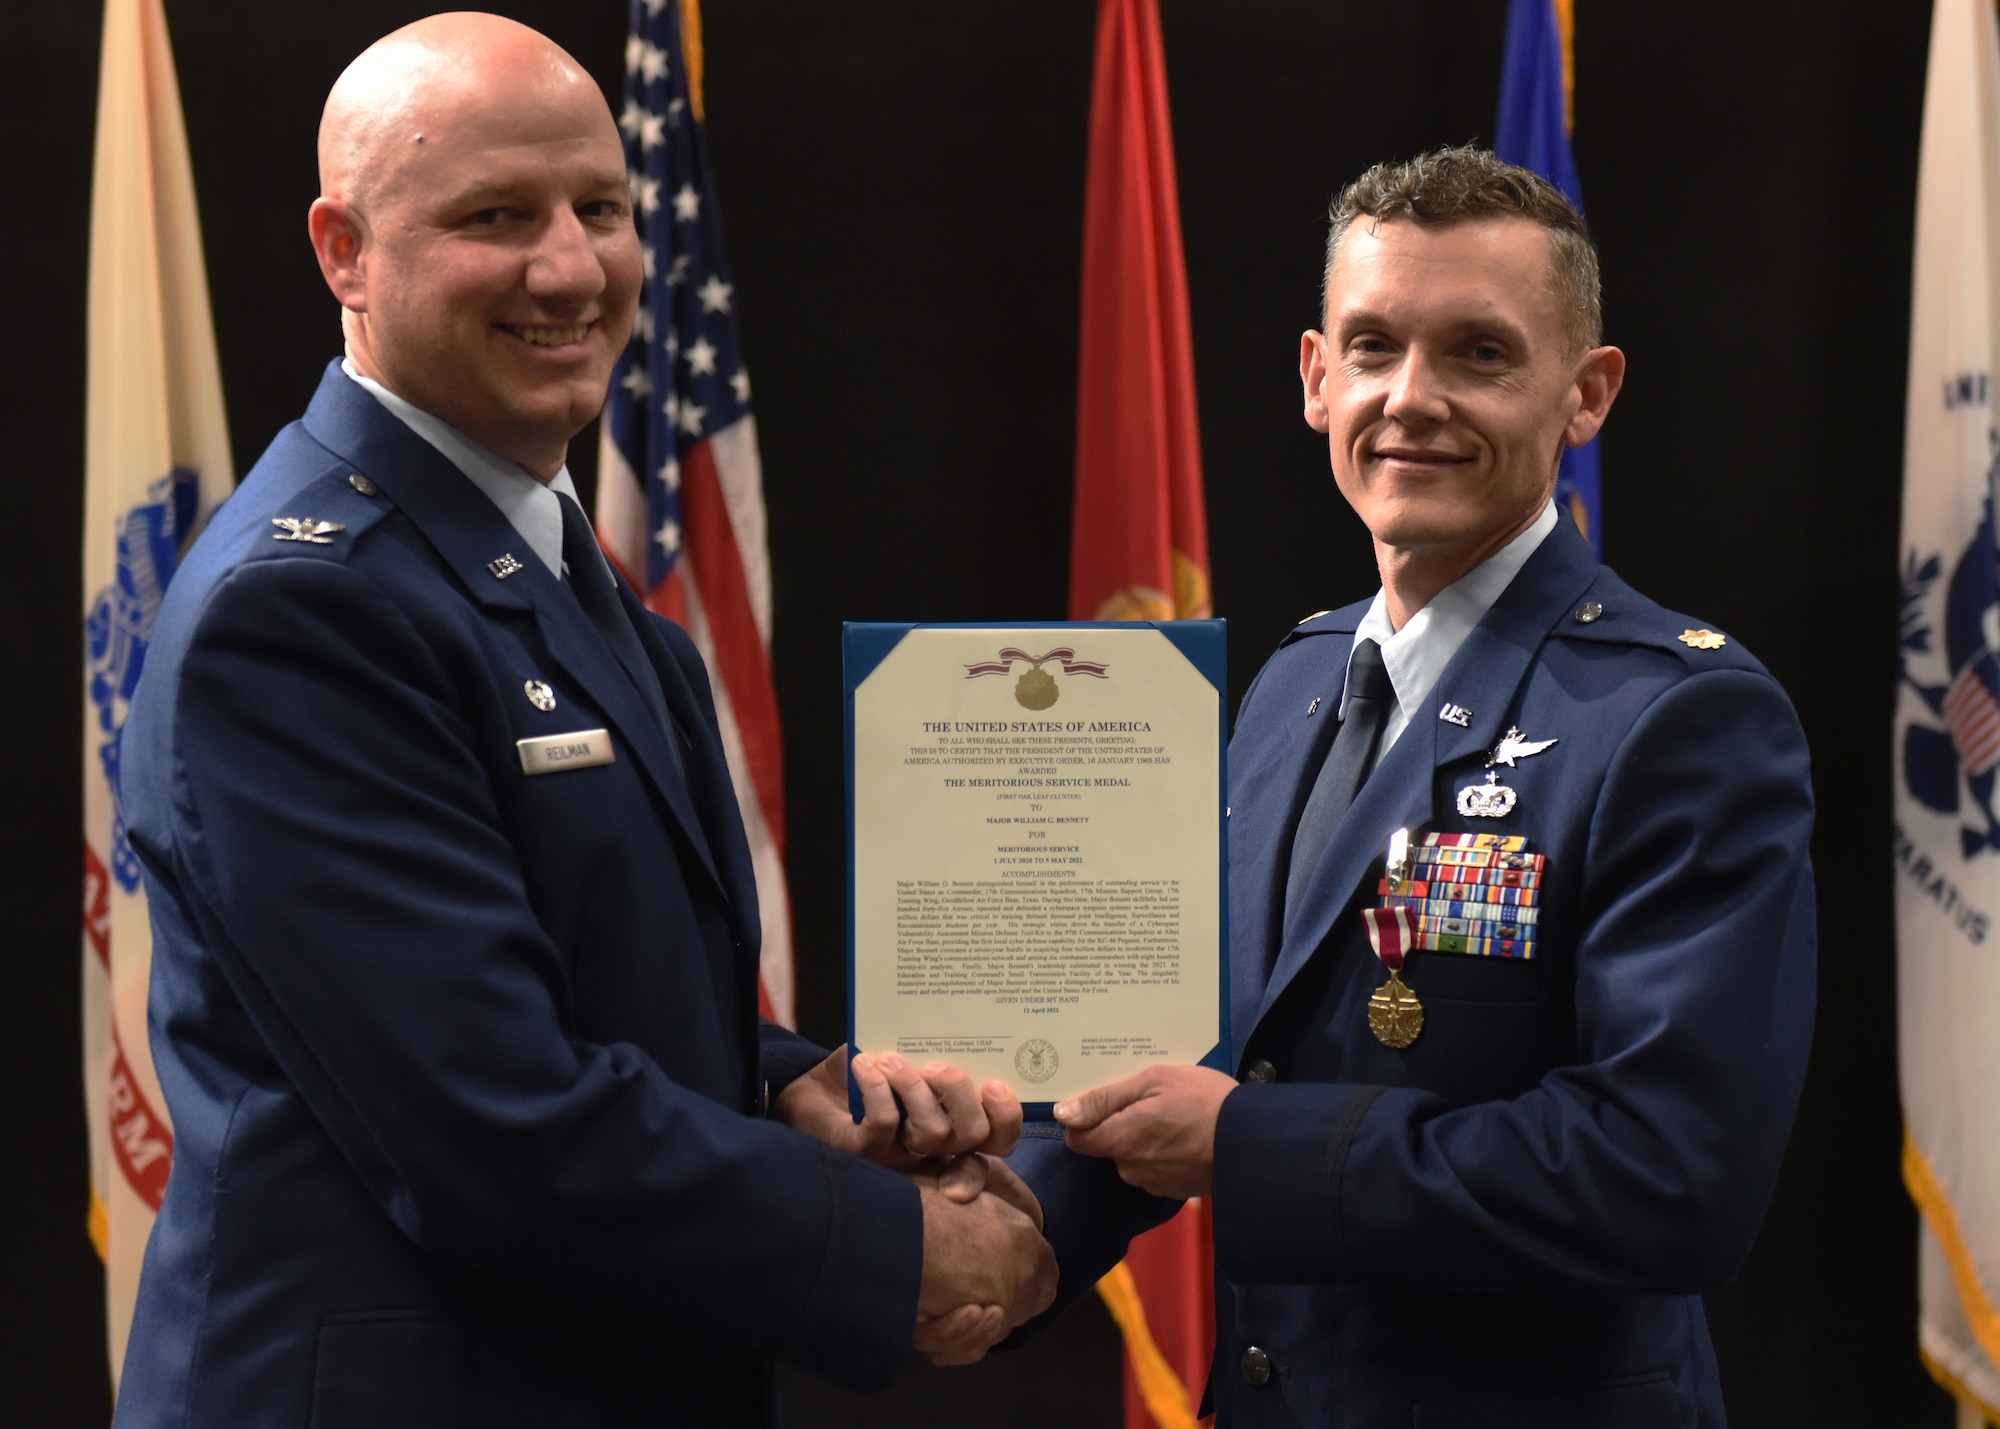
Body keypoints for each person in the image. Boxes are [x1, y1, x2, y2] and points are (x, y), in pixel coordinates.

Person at [115, 15, 1052, 1426]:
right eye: (496, 216)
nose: (571, 268)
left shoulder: (539, 557)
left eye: (600, 209)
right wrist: (904, 1249)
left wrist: (800, 1090)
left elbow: (595, 995)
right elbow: (484, 1120)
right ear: (344, 252)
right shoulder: (306, 612)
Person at [1035, 147, 1817, 1426]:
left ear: (1586, 393)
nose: (1411, 398)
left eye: (1479, 354)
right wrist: (1012, 1239)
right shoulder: (1286, 686)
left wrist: (1243, 1146)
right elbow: (1202, 1050)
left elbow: (1668, 1178)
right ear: (1312, 377)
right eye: (1372, 345)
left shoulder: (1678, 719)